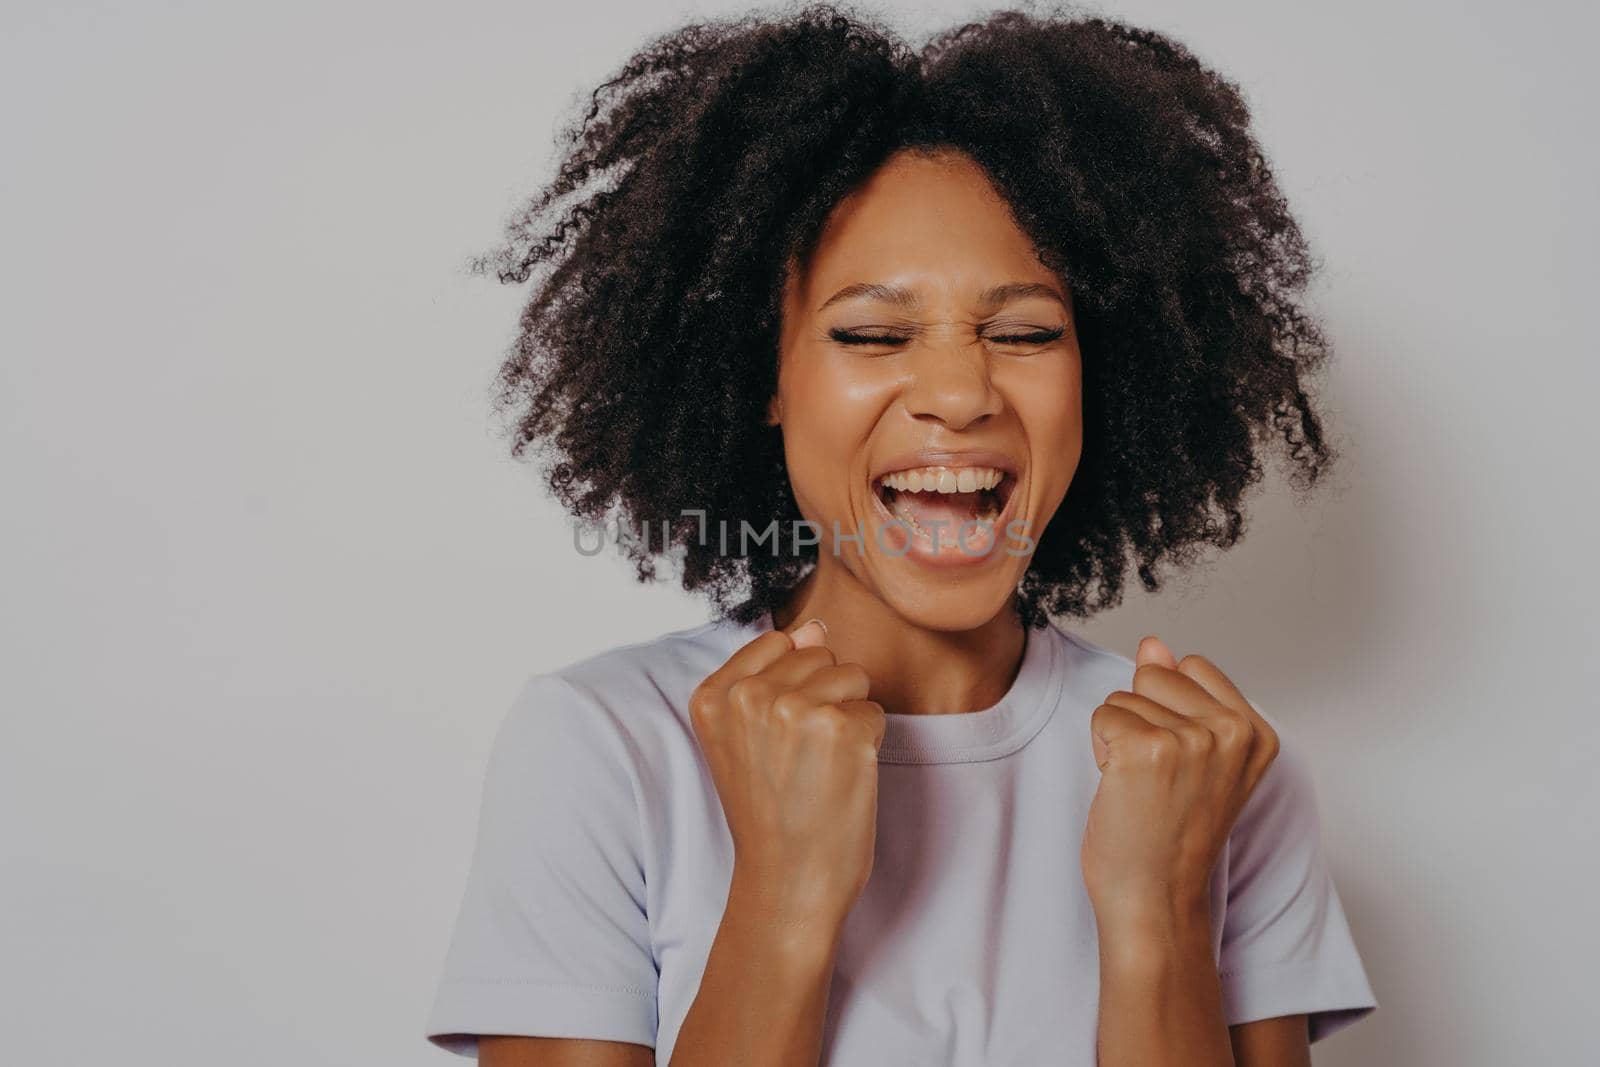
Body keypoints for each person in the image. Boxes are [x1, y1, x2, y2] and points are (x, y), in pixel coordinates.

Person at [423, 5, 1378, 1064]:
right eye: (873, 332)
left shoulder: (1214, 768)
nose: (960, 392)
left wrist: (1158, 915)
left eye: (1023, 332)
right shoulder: (610, 743)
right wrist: (784, 894)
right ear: (763, 378)